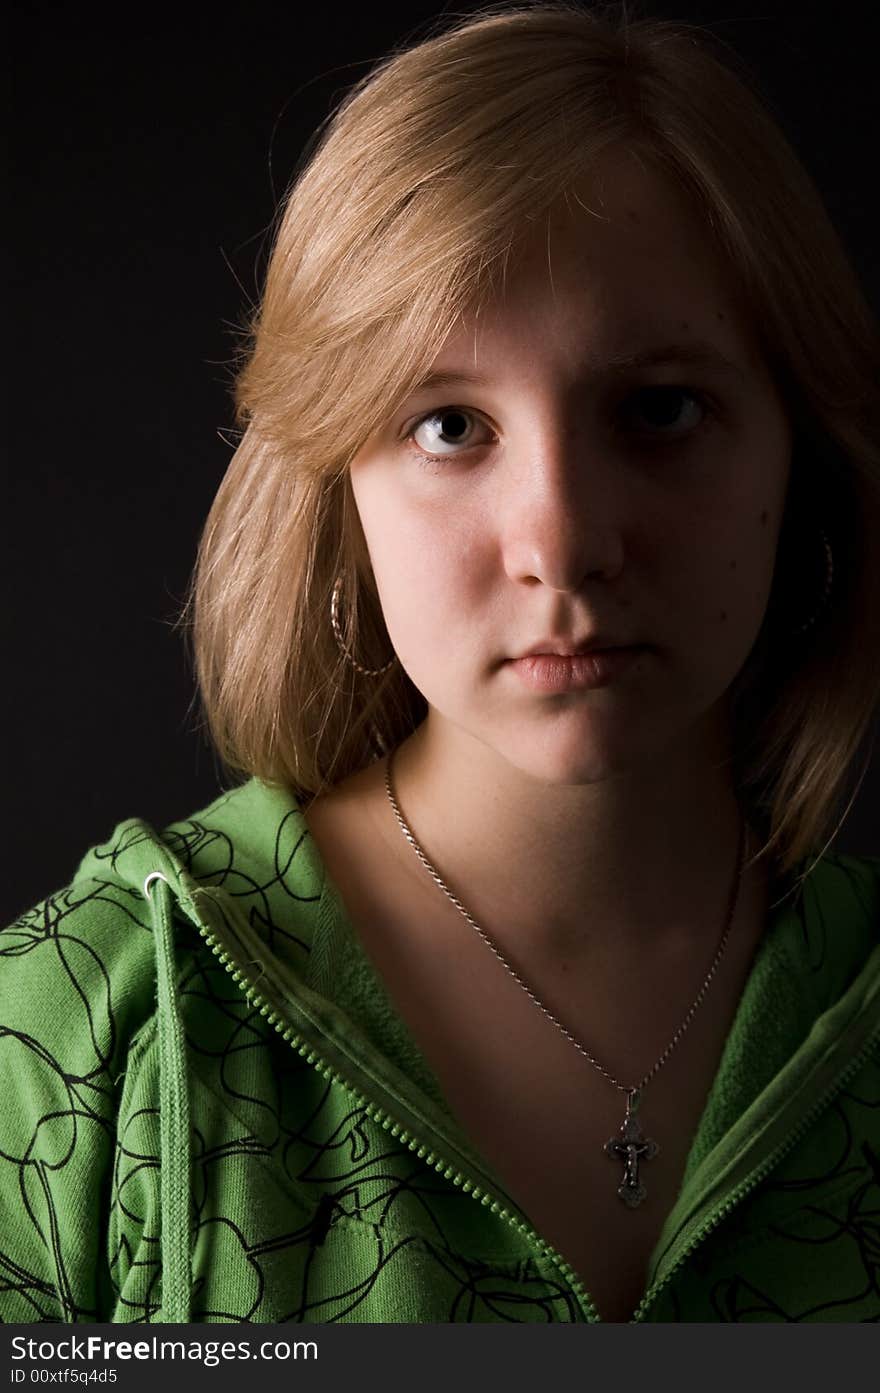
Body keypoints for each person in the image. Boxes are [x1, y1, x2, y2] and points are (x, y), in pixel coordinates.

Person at [2, 0, 879, 1326]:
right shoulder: (81, 1035)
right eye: (450, 422)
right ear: (335, 481)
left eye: (660, 410)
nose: (566, 543)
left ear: (796, 453)